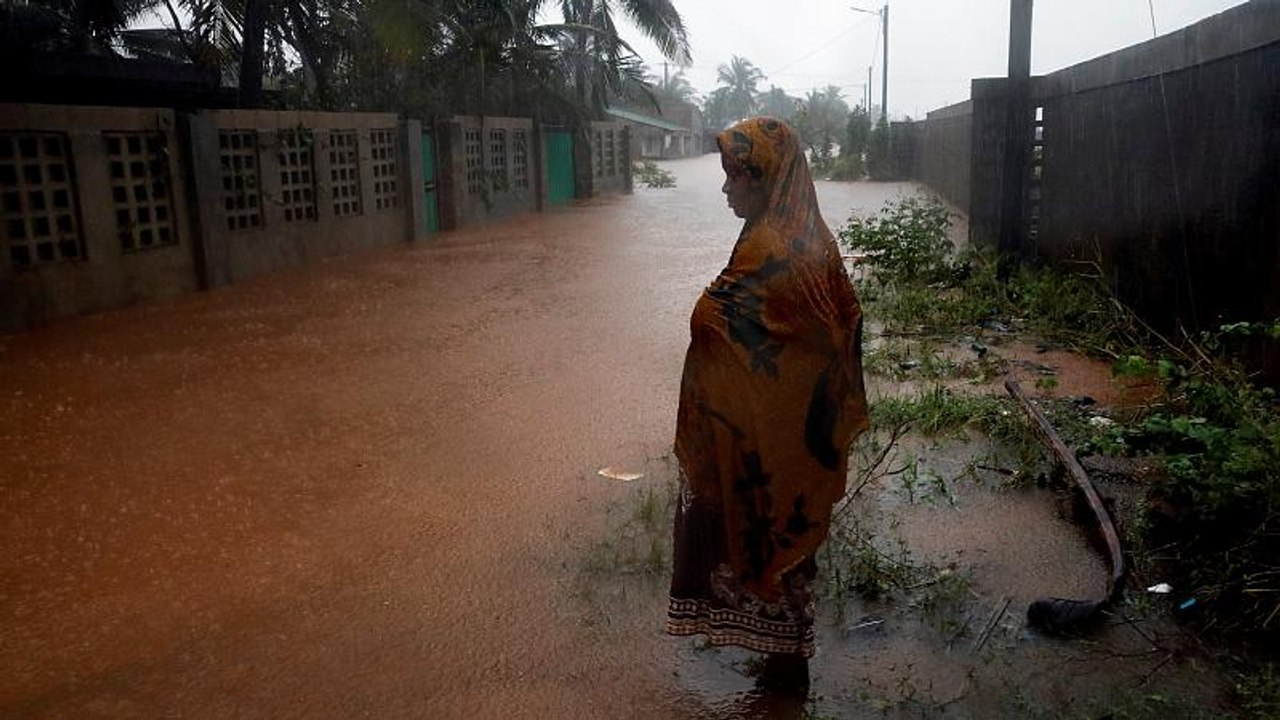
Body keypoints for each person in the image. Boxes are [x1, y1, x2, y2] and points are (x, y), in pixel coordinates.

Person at [666, 117, 870, 690]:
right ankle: (782, 662)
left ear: (766, 178)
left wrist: (712, 321)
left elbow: (759, 330)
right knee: (782, 536)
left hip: (772, 432)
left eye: (735, 177)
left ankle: (783, 670)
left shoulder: (773, 249)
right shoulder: (801, 233)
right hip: (783, 433)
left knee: (769, 531)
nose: (726, 188)